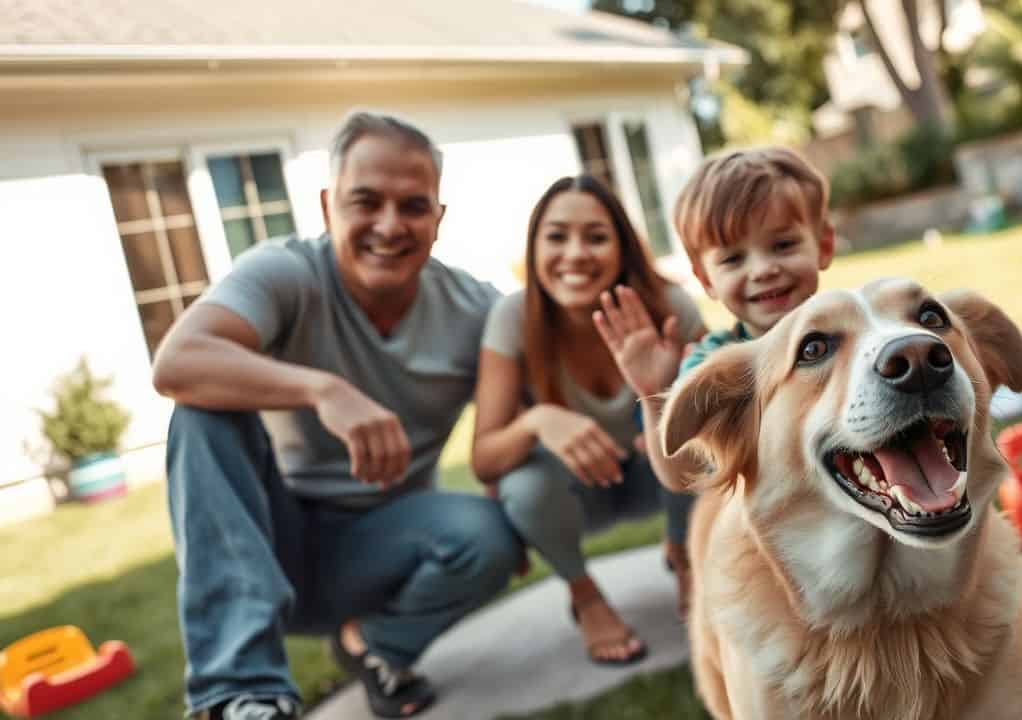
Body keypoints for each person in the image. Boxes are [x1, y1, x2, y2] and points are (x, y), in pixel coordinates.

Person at [152, 111, 522, 720]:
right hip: (269, 546)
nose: (388, 225)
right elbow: (177, 362)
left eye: (412, 206)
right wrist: (323, 390)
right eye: (365, 201)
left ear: (438, 218)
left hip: (384, 549)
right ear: (328, 206)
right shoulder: (286, 272)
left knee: (488, 534)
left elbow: (534, 405)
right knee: (203, 413)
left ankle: (372, 648)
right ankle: (241, 693)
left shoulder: (475, 308)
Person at [471, 175, 706, 666]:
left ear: (622, 248)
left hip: (659, 482)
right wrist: (538, 419)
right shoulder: (512, 318)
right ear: (534, 248)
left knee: (698, 441)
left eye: (596, 237)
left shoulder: (668, 308)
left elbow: (727, 425)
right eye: (556, 236)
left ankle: (686, 557)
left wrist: (662, 404)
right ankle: (585, 595)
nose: (575, 253)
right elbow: (484, 460)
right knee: (523, 485)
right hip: (574, 495)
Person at [594, 146, 835, 493]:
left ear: (823, 245)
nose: (764, 270)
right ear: (705, 279)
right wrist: (651, 394)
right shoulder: (713, 367)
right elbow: (680, 475)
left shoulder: (859, 335)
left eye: (783, 245)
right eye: (734, 259)